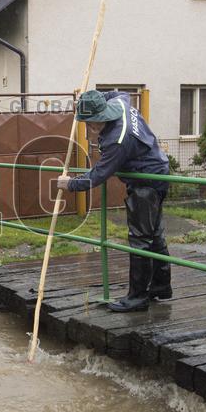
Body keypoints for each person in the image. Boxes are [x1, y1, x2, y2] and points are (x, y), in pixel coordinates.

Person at [56, 90, 171, 312]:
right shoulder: (119, 102)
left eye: (94, 123)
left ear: (104, 116)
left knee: (140, 238)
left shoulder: (118, 139)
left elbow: (99, 174)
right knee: (154, 234)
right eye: (87, 123)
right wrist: (87, 101)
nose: (90, 129)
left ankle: (138, 298)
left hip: (146, 181)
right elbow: (118, 92)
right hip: (157, 169)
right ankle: (161, 286)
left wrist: (70, 184)